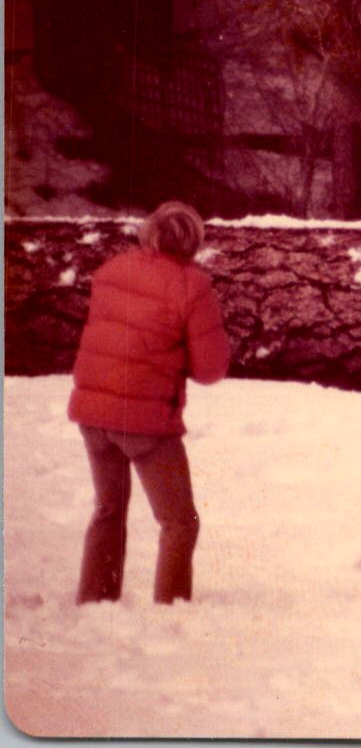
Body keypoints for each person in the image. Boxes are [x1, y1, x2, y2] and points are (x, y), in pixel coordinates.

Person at [68, 201, 232, 603]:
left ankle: (94, 601)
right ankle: (169, 611)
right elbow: (211, 369)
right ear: (193, 242)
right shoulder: (191, 285)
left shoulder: (112, 271)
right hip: (145, 420)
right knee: (179, 521)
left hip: (94, 413)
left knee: (108, 510)